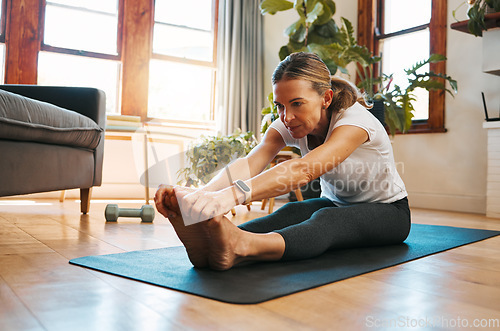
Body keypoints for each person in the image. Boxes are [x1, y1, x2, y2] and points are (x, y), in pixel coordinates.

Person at [155, 52, 410, 271]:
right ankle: (212, 243)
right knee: (292, 211)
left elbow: (303, 170)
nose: (287, 116)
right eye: (280, 106)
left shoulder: (355, 123)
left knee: (327, 221)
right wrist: (201, 195)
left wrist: (230, 197)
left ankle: (242, 246)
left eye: (297, 104)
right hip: (336, 203)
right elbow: (251, 161)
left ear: (327, 98)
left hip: (390, 213)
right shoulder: (291, 121)